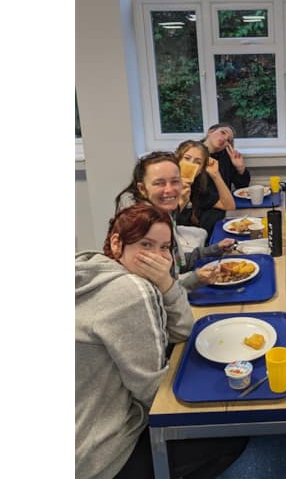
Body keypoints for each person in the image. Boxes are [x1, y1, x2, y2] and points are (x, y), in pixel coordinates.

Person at [76, 203, 248, 479]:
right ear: (117, 243)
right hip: (103, 456)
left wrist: (167, 284)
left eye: (164, 248)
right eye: (146, 245)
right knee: (233, 432)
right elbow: (154, 396)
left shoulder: (89, 269)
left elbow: (179, 332)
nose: (157, 257)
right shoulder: (132, 290)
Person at [114, 151, 235, 291]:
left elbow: (176, 264)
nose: (169, 190)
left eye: (175, 181)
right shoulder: (141, 232)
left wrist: (214, 249)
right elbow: (156, 295)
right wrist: (195, 279)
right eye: (159, 183)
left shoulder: (164, 217)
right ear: (142, 189)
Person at [175, 139, 235, 239]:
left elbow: (229, 206)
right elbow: (163, 222)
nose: (191, 164)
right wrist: (181, 201)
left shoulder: (198, 186)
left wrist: (216, 175)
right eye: (187, 158)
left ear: (202, 169)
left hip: (191, 239)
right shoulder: (166, 186)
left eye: (198, 162)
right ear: (177, 160)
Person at [202, 123, 251, 190]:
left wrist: (240, 168)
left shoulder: (227, 157)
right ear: (210, 131)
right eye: (223, 132)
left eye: (228, 140)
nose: (225, 138)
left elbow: (242, 187)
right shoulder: (192, 151)